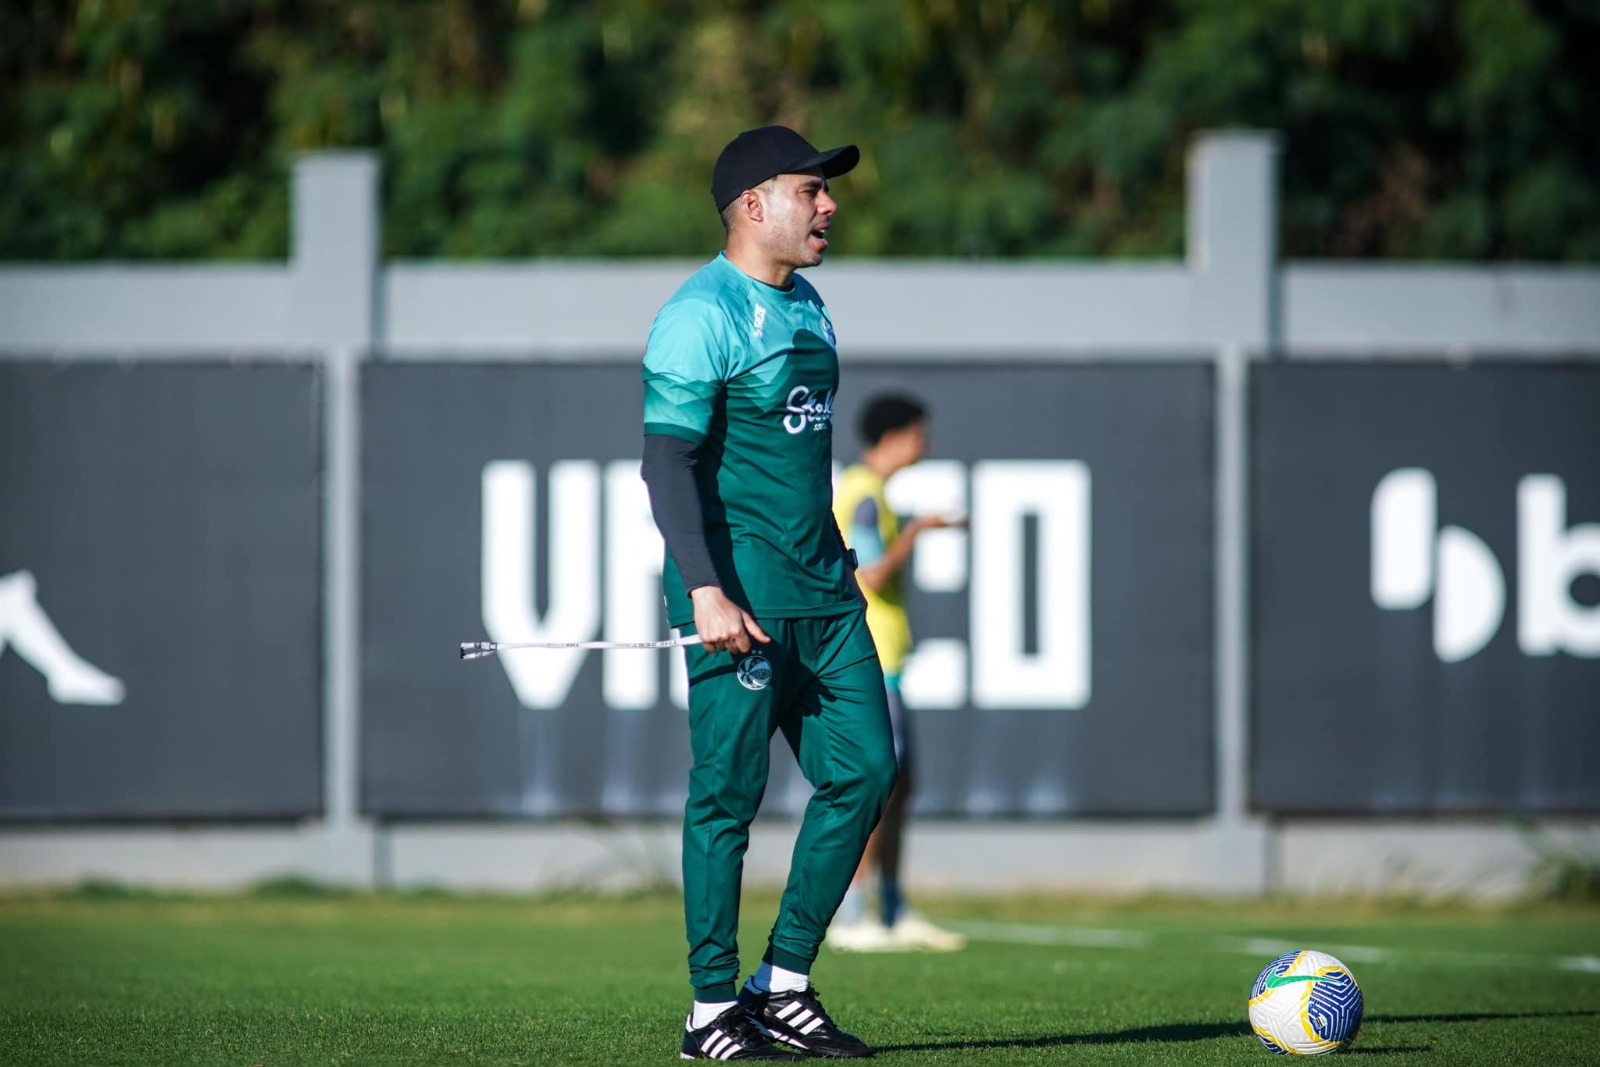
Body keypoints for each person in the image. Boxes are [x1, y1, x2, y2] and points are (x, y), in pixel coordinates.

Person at [640, 125, 896, 1062]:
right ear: (754, 205)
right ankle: (713, 1011)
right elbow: (666, 462)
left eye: (827, 191)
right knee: (729, 798)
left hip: (827, 596)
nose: (829, 204)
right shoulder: (699, 312)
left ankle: (781, 984)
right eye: (810, 189)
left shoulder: (814, 303)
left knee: (865, 769)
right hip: (737, 598)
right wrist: (705, 589)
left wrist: (833, 558)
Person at [825, 396, 968, 954]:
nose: (926, 445)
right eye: (920, 434)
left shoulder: (870, 492)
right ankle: (855, 912)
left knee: (902, 787)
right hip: (873, 662)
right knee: (878, 786)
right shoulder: (863, 494)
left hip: (890, 664)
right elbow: (875, 574)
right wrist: (920, 530)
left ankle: (892, 905)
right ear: (897, 436)